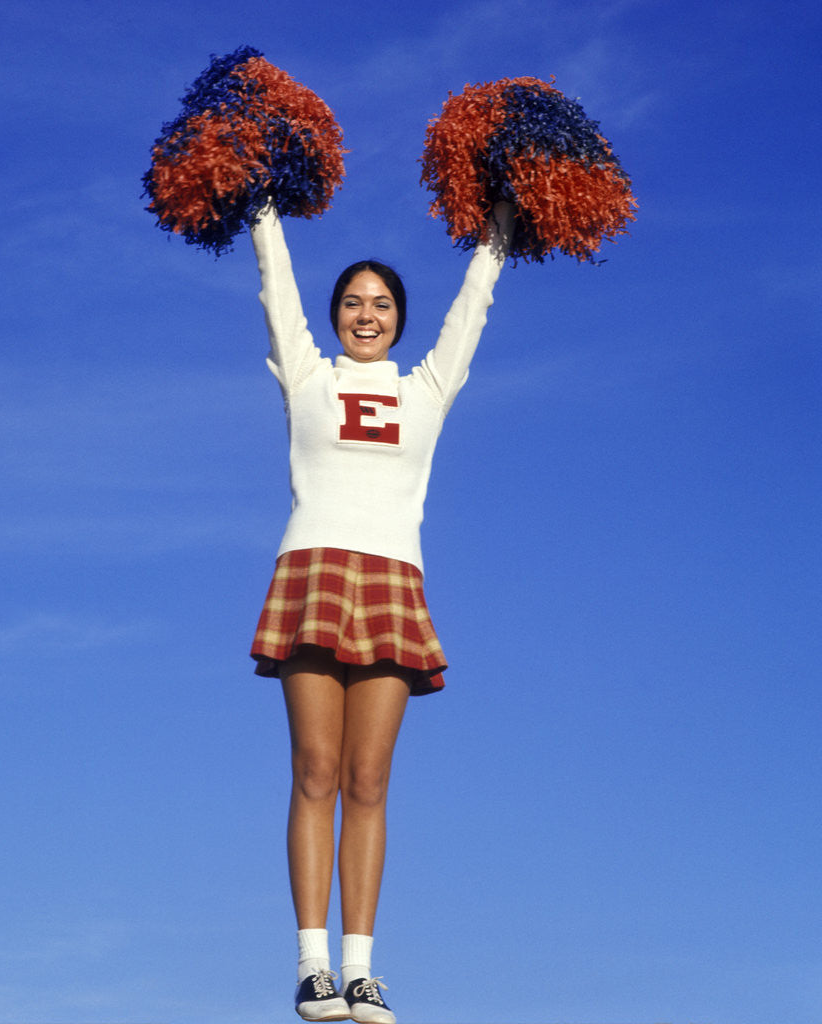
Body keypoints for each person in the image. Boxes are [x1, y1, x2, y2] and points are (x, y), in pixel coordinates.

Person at [248, 199, 514, 1023]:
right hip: (315, 570)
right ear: (335, 317)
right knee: (316, 770)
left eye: (383, 303)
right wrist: (261, 203)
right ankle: (311, 966)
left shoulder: (426, 391)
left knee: (369, 779)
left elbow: (472, 314)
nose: (368, 314)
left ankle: (363, 971)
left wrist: (500, 229)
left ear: (400, 319)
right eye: (354, 302)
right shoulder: (307, 375)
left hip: (394, 578)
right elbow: (275, 286)